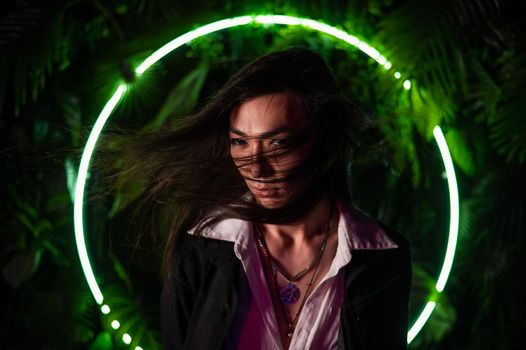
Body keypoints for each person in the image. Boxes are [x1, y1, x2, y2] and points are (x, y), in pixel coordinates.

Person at [118, 47, 411, 349]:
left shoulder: (381, 256)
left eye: (278, 143)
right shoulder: (201, 246)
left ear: (322, 141)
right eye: (240, 142)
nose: (256, 167)